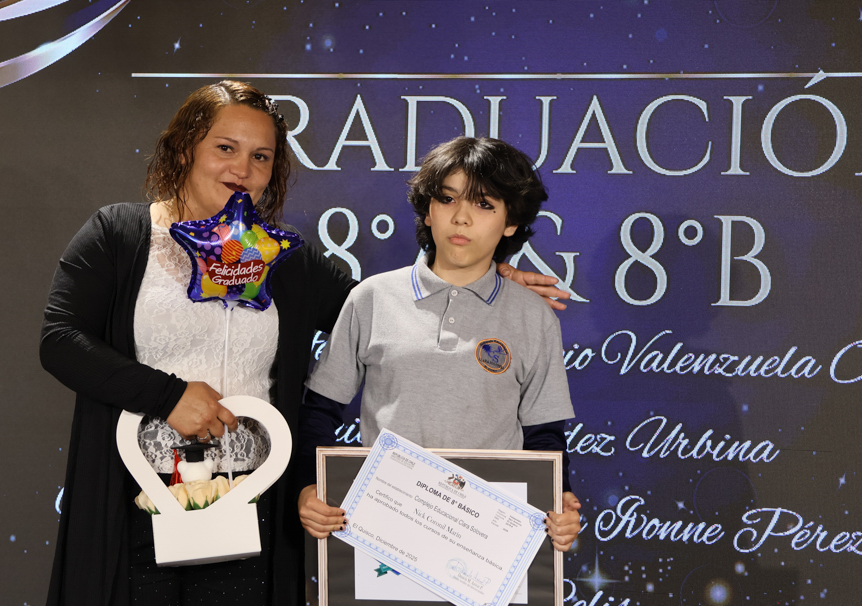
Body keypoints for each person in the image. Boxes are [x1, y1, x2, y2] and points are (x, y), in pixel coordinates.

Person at [41, 82, 571, 606]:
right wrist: (168, 396)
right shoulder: (119, 236)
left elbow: (389, 314)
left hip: (254, 505)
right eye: (225, 148)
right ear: (184, 149)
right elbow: (60, 340)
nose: (242, 168)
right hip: (133, 497)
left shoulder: (285, 259)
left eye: (261, 156)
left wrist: (488, 280)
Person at [297, 136, 582, 552]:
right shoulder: (372, 297)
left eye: (484, 204)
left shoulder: (533, 315)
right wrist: (310, 485)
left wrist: (559, 497)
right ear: (428, 211)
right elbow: (320, 409)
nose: (461, 218)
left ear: (511, 221)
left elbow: (544, 435)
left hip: (487, 538)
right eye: (447, 199)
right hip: (383, 526)